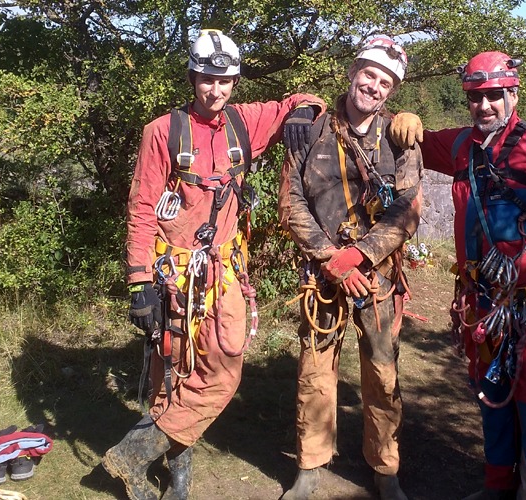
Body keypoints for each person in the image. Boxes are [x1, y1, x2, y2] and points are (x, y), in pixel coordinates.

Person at [102, 28, 325, 500]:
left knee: (224, 370)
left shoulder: (245, 123)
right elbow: (142, 209)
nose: (215, 90)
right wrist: (138, 281)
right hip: (173, 277)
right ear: (192, 77)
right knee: (173, 372)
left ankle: (134, 452)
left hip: (224, 273)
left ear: (235, 82)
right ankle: (176, 476)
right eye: (207, 79)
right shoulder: (162, 132)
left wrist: (306, 109)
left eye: (225, 81)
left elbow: (302, 100)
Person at [389, 51, 526, 499]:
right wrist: (401, 116)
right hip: (483, 306)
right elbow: (415, 138)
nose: (484, 106)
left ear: (512, 94)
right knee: (494, 403)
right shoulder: (464, 145)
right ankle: (498, 489)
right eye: (475, 98)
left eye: (493, 96)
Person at [278, 37, 423, 500]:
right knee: (315, 368)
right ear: (353, 71)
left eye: (385, 82)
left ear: (391, 91)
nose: (374, 87)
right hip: (322, 275)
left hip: (376, 274)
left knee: (382, 371)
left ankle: (385, 469)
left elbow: (407, 209)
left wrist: (361, 255)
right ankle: (311, 463)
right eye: (370, 74)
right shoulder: (310, 130)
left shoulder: (399, 138)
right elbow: (291, 202)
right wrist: (330, 257)